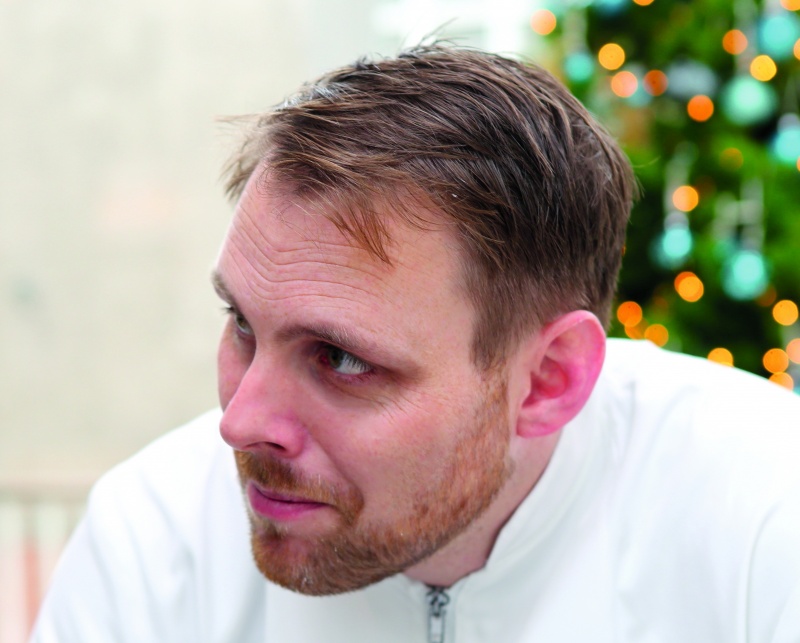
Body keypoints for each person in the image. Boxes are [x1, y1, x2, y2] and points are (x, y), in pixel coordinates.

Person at [31, 44, 800, 643]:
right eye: (241, 323)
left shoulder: (764, 517)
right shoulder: (156, 540)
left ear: (548, 380)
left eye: (340, 358)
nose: (239, 422)